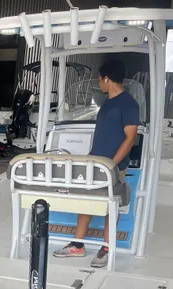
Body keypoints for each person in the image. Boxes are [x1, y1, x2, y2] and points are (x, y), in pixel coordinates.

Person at [53, 59, 140, 268]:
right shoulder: (106, 103)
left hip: (112, 165)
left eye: (100, 79)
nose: (99, 83)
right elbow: (102, 134)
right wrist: (91, 156)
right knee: (87, 200)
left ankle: (107, 248)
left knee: (112, 205)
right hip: (96, 161)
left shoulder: (128, 104)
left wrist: (112, 163)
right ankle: (77, 245)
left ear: (107, 78)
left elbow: (130, 137)